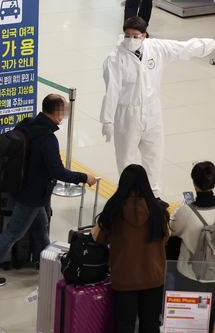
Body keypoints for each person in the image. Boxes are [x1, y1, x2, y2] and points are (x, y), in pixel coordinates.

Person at [0, 94, 96, 287]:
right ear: (56, 113)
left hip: (24, 188)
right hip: (32, 195)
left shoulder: (28, 123)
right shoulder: (48, 139)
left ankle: (48, 263)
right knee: (13, 232)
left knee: (40, 226)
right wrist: (84, 177)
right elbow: (58, 171)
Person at [100, 16, 215, 197]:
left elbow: (184, 48)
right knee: (126, 158)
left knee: (154, 155)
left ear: (144, 36)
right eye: (127, 35)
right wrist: (107, 120)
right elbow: (111, 91)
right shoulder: (115, 59)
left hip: (153, 111)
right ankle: (128, 196)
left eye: (135, 36)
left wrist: (210, 44)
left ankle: (153, 194)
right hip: (127, 113)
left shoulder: (157, 48)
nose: (130, 40)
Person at [92, 164, 170, 333]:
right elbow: (166, 236)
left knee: (124, 323)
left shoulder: (113, 211)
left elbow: (99, 238)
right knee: (150, 323)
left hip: (124, 277)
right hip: (153, 276)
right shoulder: (159, 212)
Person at [171, 161, 215, 333]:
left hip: (189, 276)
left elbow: (172, 231)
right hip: (214, 275)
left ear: (194, 184)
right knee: (209, 319)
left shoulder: (186, 212)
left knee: (189, 321)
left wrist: (181, 208)